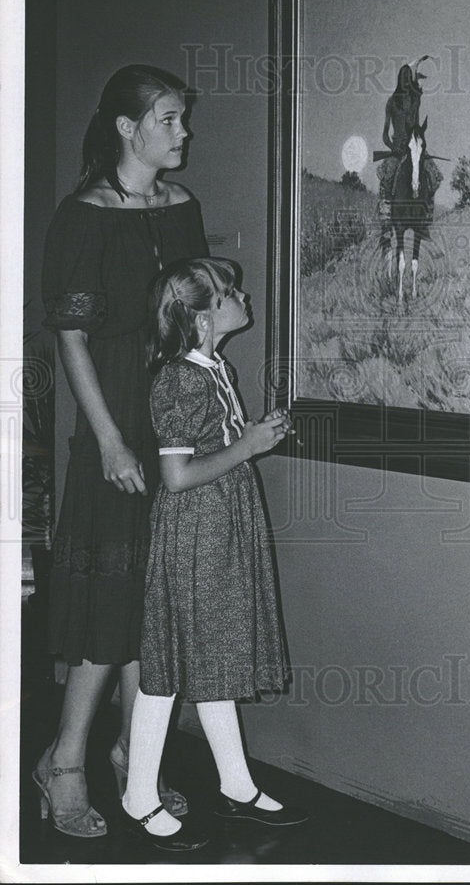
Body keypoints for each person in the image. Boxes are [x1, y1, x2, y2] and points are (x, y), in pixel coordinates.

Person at [34, 65, 209, 838]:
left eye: (181, 118)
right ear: (126, 128)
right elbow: (71, 337)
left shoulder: (182, 207)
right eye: (169, 119)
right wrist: (107, 440)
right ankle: (64, 762)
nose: (183, 132)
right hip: (115, 426)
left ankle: (134, 760)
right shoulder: (83, 216)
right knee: (111, 600)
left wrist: (203, 416)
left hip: (172, 421)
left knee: (156, 600)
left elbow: (194, 314)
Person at [119, 257, 305, 851]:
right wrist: (248, 446)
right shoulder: (180, 379)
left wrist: (251, 436)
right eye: (230, 293)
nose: (243, 297)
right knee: (171, 660)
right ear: (201, 318)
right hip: (195, 532)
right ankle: (138, 796)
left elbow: (212, 446)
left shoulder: (214, 367)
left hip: (222, 524)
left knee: (213, 652)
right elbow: (176, 477)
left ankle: (236, 786)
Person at [376, 57, 443, 213]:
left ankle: (428, 208)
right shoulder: (392, 102)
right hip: (398, 148)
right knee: (387, 176)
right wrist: (393, 147)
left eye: (408, 77)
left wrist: (419, 146)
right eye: (403, 77)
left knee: (434, 175)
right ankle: (386, 214)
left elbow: (417, 128)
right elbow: (385, 135)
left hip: (414, 148)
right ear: (399, 79)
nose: (406, 81)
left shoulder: (415, 101)